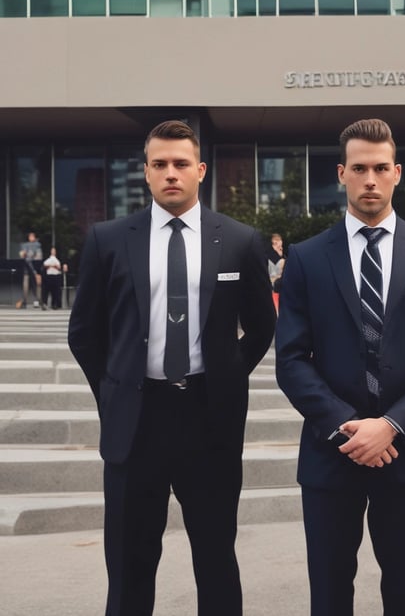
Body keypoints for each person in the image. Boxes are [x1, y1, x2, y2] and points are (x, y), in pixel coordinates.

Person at [67, 120, 276, 616]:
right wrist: (117, 390)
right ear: (145, 173)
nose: (171, 173)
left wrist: (225, 377)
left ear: (200, 170)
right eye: (159, 164)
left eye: (181, 163)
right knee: (129, 564)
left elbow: (262, 328)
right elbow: (84, 334)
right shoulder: (109, 240)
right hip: (136, 424)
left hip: (209, 420)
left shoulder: (242, 241)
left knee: (216, 561)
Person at [275, 118, 405, 616]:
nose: (370, 180)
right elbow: (292, 358)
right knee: (330, 594)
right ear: (341, 173)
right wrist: (346, 428)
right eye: (359, 168)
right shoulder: (307, 258)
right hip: (330, 454)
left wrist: (392, 426)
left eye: (381, 168)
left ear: (397, 173)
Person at [18, 231, 42, 308]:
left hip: (35, 269)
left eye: (33, 236)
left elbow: (39, 257)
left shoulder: (37, 246)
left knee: (36, 285)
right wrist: (24, 254)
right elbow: (22, 255)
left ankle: (37, 301)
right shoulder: (24, 245)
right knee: (25, 286)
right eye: (30, 236)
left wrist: (31, 256)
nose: (31, 238)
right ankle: (24, 301)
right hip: (27, 269)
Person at [267, 233, 285, 310]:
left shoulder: (283, 259)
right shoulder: (267, 259)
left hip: (279, 290)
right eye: (276, 244)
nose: (280, 248)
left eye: (281, 246)